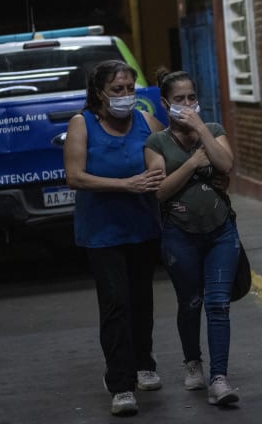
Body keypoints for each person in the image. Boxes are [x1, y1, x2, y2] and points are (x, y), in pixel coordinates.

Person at [64, 60, 165, 416]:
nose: (125, 97)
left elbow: (163, 160)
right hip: (102, 232)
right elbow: (74, 177)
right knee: (116, 304)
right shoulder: (83, 124)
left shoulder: (146, 122)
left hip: (141, 227)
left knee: (141, 301)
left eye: (129, 89)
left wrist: (158, 171)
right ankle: (120, 384)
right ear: (99, 94)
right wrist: (126, 185)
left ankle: (143, 364)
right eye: (117, 90)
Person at [144, 69, 241, 406]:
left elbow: (226, 165)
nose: (186, 105)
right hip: (179, 235)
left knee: (217, 303)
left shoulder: (212, 130)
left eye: (191, 98)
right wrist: (191, 164)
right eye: (179, 100)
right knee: (191, 302)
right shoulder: (156, 143)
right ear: (165, 103)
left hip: (220, 232)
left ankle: (219, 378)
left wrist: (201, 130)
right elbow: (160, 192)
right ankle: (192, 361)